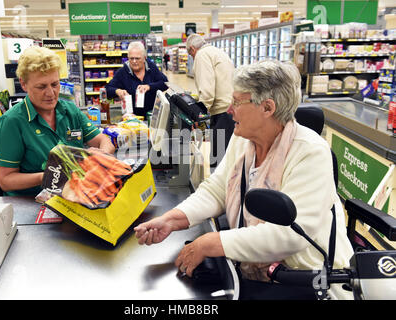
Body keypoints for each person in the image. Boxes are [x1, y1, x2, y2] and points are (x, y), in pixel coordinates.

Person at [134, 60, 354, 300]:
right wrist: (172, 219)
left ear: (267, 108)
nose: (229, 109)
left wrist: (210, 242)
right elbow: (218, 189)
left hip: (304, 279)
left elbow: (291, 235)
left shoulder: (311, 153)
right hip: (253, 269)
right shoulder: (244, 139)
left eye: (237, 102)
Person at [0, 46, 115, 197]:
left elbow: (103, 140)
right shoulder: (11, 123)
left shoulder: (70, 111)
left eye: (55, 84)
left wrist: (101, 155)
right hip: (30, 204)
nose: (50, 93)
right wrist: (50, 175)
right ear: (23, 84)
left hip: (72, 197)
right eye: (41, 86)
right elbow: (6, 180)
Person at [186, 33, 236, 167]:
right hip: (232, 109)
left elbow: (207, 91)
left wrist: (198, 113)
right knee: (228, 157)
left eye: (190, 55)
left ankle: (219, 188)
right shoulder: (217, 52)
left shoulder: (201, 55)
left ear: (192, 49)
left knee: (218, 160)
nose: (192, 57)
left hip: (221, 113)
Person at [105, 41, 168, 117]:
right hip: (132, 118)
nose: (134, 61)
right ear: (128, 58)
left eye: (137, 58)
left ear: (144, 58)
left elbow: (165, 83)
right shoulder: (122, 72)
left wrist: (149, 86)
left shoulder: (151, 67)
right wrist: (117, 91)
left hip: (152, 115)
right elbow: (107, 89)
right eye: (131, 58)